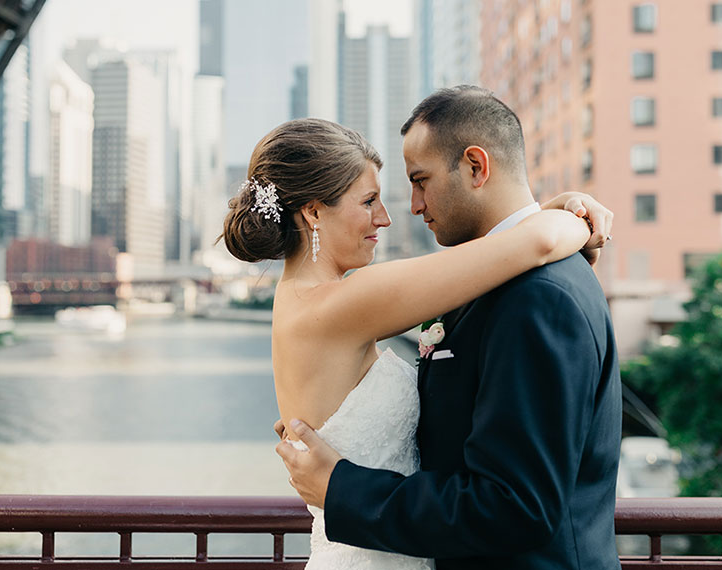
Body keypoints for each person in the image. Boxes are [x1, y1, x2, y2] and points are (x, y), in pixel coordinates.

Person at [224, 113, 609, 569]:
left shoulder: (302, 300)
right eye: (368, 201)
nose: (386, 217)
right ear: (313, 212)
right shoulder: (343, 304)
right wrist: (579, 218)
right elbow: (539, 242)